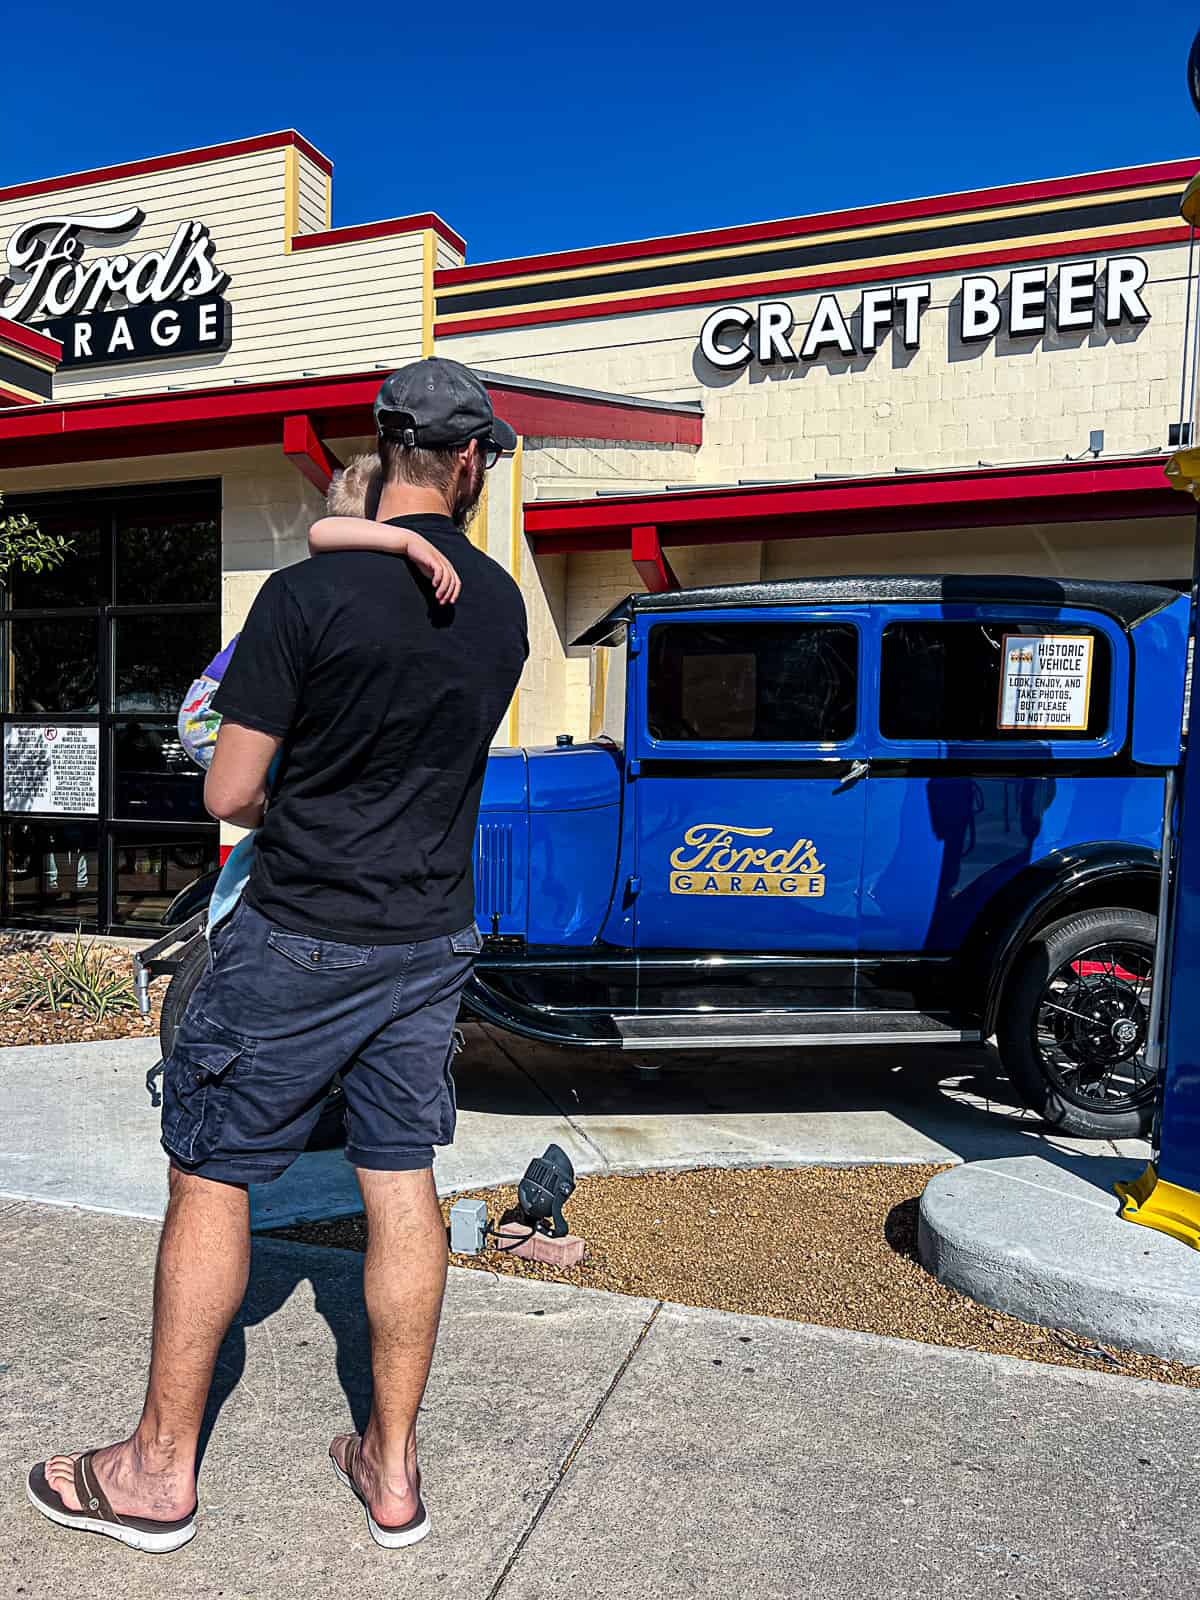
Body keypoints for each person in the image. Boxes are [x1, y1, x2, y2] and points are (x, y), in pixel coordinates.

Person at [27, 358, 528, 1555]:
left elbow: (234, 786)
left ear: (386, 446)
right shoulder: (503, 607)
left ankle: (154, 1472)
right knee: (401, 1180)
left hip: (299, 933)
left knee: (212, 1176)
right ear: (467, 463)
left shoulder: (302, 604)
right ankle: (393, 1469)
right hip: (429, 938)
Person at [177, 457, 461, 933]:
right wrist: (409, 539)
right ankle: (236, 901)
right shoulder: (343, 553)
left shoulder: (353, 582)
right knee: (288, 808)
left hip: (222, 702)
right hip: (209, 710)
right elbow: (321, 532)